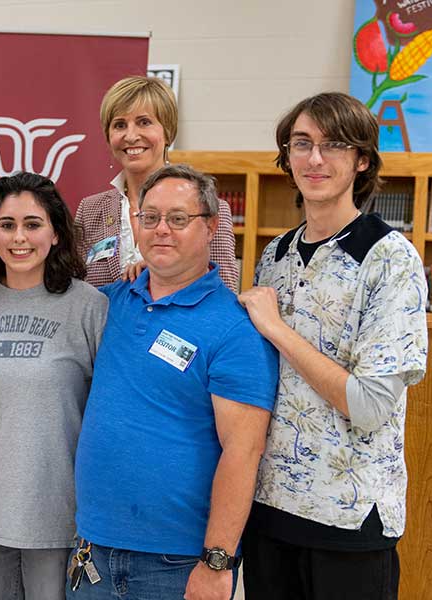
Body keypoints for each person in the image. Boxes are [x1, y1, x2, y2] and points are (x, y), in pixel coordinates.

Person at [238, 92, 428, 600]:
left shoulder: (391, 259)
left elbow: (368, 405)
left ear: (362, 160)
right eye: (302, 144)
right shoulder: (274, 255)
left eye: (333, 145)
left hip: (348, 518)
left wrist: (278, 329)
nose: (314, 159)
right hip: (270, 509)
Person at [70, 164, 278, 600]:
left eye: (179, 219)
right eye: (150, 217)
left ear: (211, 227)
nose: (162, 230)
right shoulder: (109, 303)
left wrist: (217, 561)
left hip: (176, 565)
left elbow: (244, 451)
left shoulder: (235, 327)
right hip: (92, 550)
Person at [0, 172, 108, 600]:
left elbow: (107, 412)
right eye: (6, 225)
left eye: (33, 224)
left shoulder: (89, 306)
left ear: (56, 234)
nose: (19, 237)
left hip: (58, 512)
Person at [76, 76, 239, 291]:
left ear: (167, 131)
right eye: (120, 125)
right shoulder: (89, 211)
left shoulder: (208, 208)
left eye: (144, 122)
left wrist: (164, 272)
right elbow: (75, 291)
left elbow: (223, 292)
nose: (131, 135)